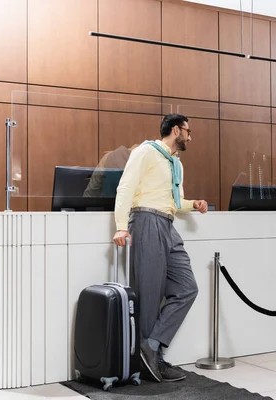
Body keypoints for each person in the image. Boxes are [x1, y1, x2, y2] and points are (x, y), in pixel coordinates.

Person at [113, 113, 208, 382]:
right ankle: (145, 363)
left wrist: (194, 204)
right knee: (149, 294)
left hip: (167, 224)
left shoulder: (176, 163)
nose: (190, 136)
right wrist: (122, 225)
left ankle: (152, 345)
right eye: (188, 131)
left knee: (187, 288)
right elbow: (125, 188)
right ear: (177, 130)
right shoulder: (146, 152)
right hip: (145, 220)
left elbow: (174, 202)